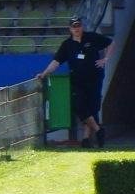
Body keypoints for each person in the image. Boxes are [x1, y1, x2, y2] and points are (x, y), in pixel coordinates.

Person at [36, 17, 113, 148]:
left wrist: (105, 59)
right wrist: (44, 73)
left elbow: (111, 43)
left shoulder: (91, 37)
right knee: (79, 106)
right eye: (74, 26)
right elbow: (56, 62)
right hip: (77, 81)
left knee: (93, 108)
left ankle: (86, 139)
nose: (76, 29)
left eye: (78, 26)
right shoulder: (67, 45)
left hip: (94, 78)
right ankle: (99, 130)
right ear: (70, 29)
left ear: (82, 26)